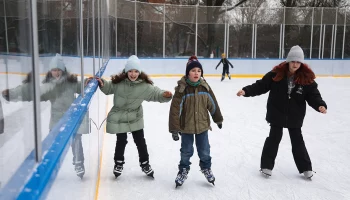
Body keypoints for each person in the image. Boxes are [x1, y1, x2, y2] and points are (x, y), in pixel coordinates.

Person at [236, 45, 327, 179]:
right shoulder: (276, 75)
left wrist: (320, 105)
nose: (295, 64)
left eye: (298, 62)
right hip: (277, 113)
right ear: (288, 61)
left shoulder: (306, 79)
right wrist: (246, 91)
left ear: (301, 63)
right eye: (293, 61)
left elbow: (313, 95)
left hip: (295, 115)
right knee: (274, 138)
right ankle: (266, 166)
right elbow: (261, 85)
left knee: (297, 141)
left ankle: (306, 168)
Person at [2, 53, 89, 179]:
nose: (57, 73)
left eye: (59, 70)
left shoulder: (71, 83)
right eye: (54, 70)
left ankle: (79, 164)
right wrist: (12, 94)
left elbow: (82, 86)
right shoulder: (49, 87)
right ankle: (49, 167)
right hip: (56, 122)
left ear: (63, 70)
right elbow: (31, 93)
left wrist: (87, 82)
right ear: (50, 71)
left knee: (76, 141)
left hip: (72, 119)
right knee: (52, 147)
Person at [93, 55, 172, 178]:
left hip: (135, 116)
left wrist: (164, 95)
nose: (133, 74)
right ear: (126, 71)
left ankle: (145, 163)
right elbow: (108, 87)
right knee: (121, 141)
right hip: (119, 116)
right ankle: (118, 163)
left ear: (139, 72)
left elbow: (155, 93)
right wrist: (101, 83)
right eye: (130, 71)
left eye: (136, 71)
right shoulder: (119, 83)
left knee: (140, 141)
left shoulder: (144, 86)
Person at [169, 55, 223, 187]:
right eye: (193, 70)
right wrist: (174, 128)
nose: (196, 73)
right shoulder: (182, 89)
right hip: (186, 127)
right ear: (188, 73)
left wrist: (218, 118)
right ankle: (183, 170)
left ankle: (206, 168)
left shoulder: (205, 87)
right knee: (186, 151)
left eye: (199, 71)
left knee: (204, 150)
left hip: (202, 126)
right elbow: (175, 110)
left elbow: (213, 104)